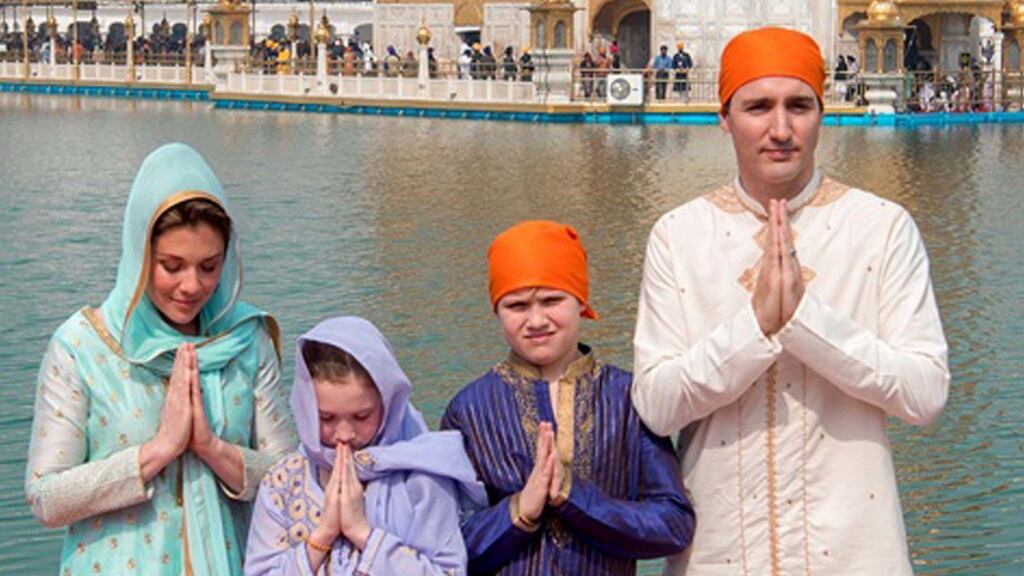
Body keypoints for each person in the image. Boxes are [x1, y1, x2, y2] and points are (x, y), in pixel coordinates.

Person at [632, 27, 949, 575]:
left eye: (798, 105)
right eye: (758, 107)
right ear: (724, 118)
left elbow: (925, 394)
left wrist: (806, 323)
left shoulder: (880, 228)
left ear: (822, 113)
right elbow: (657, 405)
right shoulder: (679, 235)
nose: (780, 129)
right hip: (720, 550)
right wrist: (753, 329)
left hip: (853, 549)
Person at [24, 143, 296, 575]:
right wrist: (157, 452)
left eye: (209, 267)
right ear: (139, 254)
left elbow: (293, 483)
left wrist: (212, 449)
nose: (192, 286)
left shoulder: (245, 339)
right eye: (171, 266)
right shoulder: (84, 347)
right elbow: (46, 498)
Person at [442, 221, 695, 575]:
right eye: (516, 305)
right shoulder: (469, 409)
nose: (536, 320)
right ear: (496, 311)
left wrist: (574, 496)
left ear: (581, 301)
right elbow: (445, 547)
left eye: (551, 300)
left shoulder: (628, 398)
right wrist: (519, 511)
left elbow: (673, 525)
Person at [245, 317, 486, 575]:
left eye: (362, 417)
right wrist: (323, 535)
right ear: (306, 408)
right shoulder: (283, 483)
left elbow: (450, 571)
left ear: (388, 403)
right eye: (326, 418)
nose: (344, 434)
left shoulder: (423, 477)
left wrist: (362, 533)